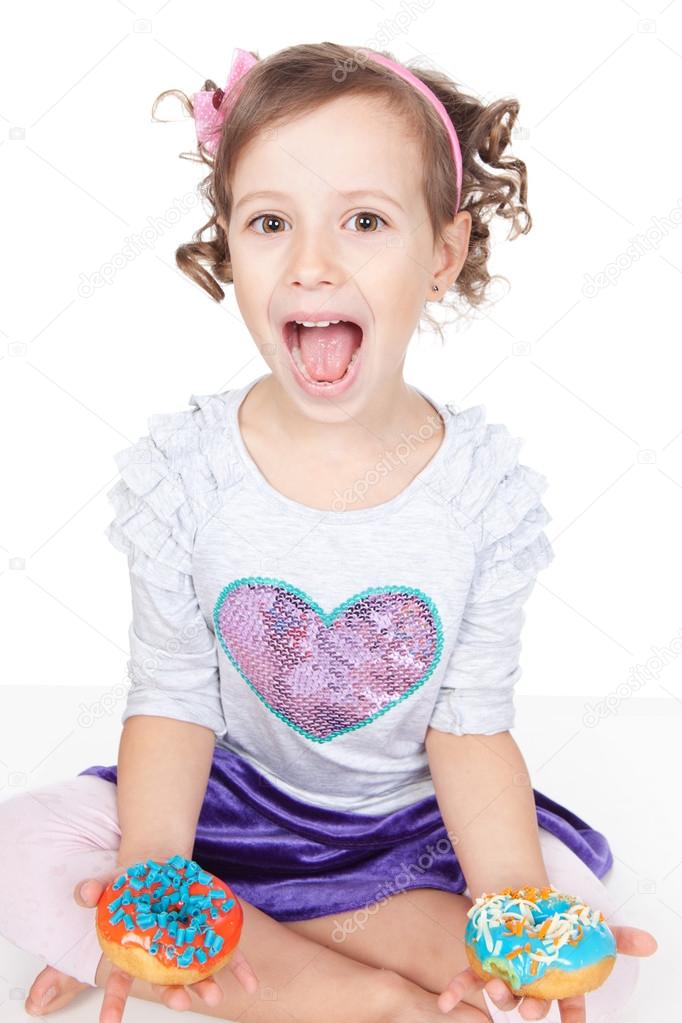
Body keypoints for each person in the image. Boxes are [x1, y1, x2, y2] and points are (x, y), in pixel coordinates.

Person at [0, 41, 657, 1023]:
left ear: (443, 254)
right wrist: (149, 878)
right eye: (271, 222)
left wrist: (513, 903)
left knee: (600, 950)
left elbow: (468, 726)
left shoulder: (481, 496)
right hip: (226, 810)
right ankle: (343, 991)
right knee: (22, 846)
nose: (312, 262)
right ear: (229, 244)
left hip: (408, 832)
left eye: (362, 221)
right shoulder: (186, 477)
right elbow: (174, 699)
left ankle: (240, 955)